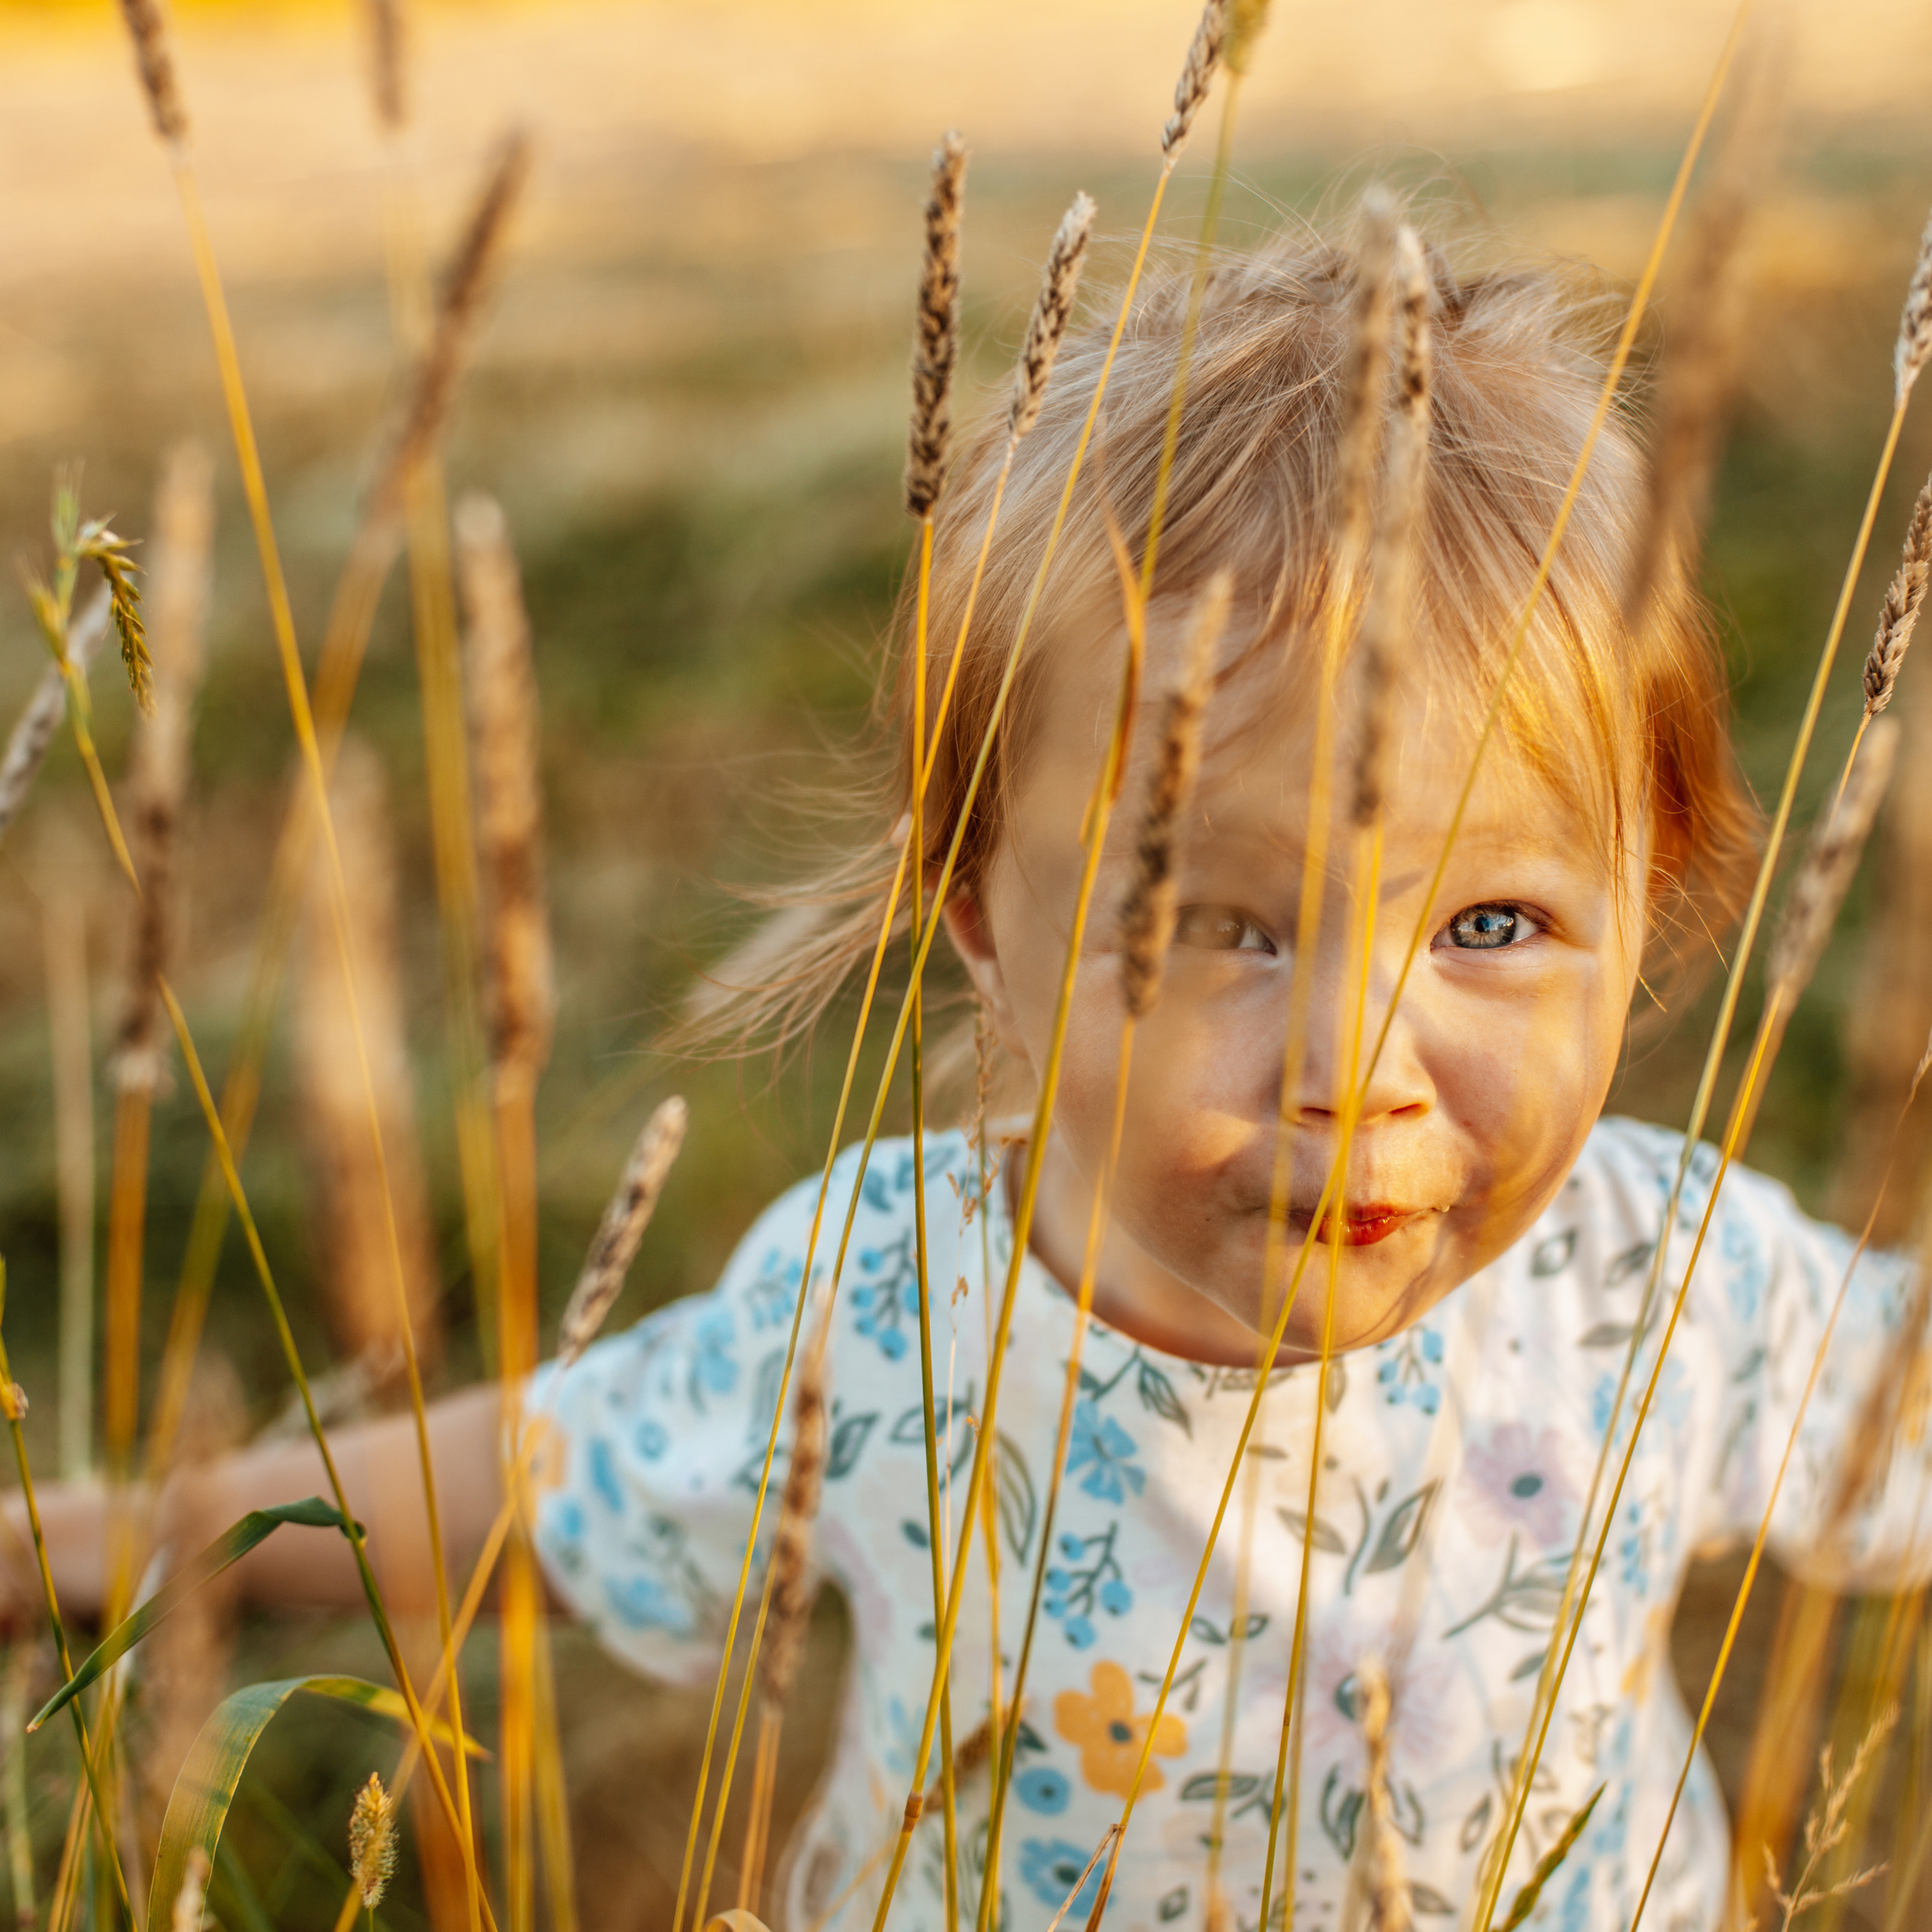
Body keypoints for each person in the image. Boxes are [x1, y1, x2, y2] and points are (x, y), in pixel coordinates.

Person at [12, 218, 1930, 1932]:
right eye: (1213, 923)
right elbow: (542, 1472)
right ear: (983, 923)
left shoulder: (1661, 1280)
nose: (1354, 1069)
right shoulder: (896, 1300)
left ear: (1652, 902)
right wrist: (118, 1541)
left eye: (1489, 924)